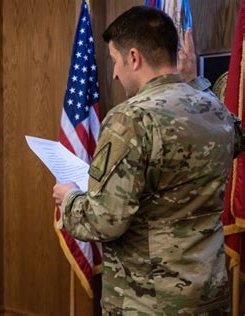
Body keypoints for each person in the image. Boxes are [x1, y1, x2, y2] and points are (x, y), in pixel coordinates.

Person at [52, 6, 236, 314]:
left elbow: (105, 222)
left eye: (114, 60)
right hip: (208, 295)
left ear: (134, 57)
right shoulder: (213, 108)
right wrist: (193, 84)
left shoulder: (130, 117)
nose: (114, 72)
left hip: (149, 299)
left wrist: (69, 198)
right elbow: (237, 136)